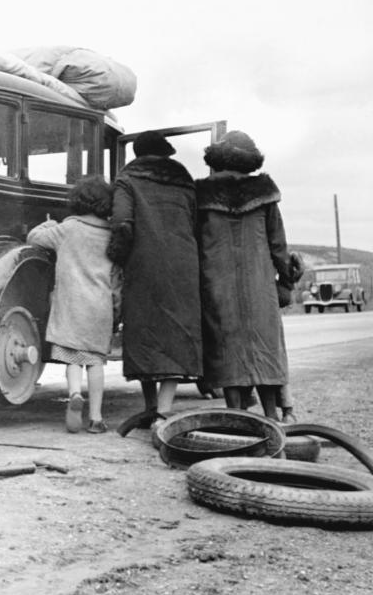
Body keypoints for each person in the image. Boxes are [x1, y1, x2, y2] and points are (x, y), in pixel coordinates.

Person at [194, 130, 296, 421]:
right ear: (250, 161)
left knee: (227, 350)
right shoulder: (264, 195)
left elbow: (194, 242)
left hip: (216, 285)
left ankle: (237, 418)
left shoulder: (201, 195)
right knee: (264, 348)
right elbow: (279, 245)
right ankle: (270, 416)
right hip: (259, 285)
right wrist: (286, 281)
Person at [108, 131, 202, 418]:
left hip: (144, 263)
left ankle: (150, 407)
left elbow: (123, 224)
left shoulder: (127, 179)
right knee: (177, 334)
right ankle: (164, 410)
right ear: (165, 152)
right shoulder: (185, 181)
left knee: (143, 333)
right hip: (184, 264)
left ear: (137, 153)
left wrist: (117, 257)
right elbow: (196, 223)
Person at [27, 176, 120, 434]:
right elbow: (117, 280)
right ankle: (97, 418)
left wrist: (48, 224)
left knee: (73, 359)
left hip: (71, 306)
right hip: (100, 307)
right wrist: (116, 309)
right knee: (95, 362)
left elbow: (34, 238)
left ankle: (75, 393)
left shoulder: (68, 230)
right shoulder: (111, 235)